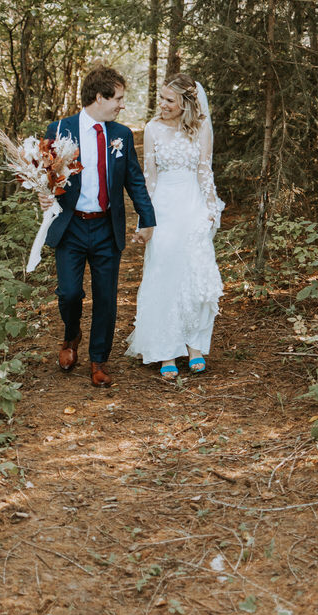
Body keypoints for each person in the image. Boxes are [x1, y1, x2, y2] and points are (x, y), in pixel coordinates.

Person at [40, 65, 156, 387]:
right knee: (69, 293)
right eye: (117, 98)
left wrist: (147, 218)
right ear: (99, 97)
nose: (121, 105)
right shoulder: (60, 129)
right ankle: (71, 334)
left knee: (106, 296)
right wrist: (44, 197)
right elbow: (45, 177)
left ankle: (98, 360)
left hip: (106, 227)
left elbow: (134, 179)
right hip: (71, 226)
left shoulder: (121, 135)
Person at [126, 74, 224, 380]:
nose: (163, 104)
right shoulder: (153, 129)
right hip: (164, 208)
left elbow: (204, 170)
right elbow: (149, 177)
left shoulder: (201, 126)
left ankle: (195, 347)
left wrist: (210, 208)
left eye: (170, 99)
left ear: (185, 103)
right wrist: (146, 219)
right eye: (161, 98)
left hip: (192, 205)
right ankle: (166, 349)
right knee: (163, 273)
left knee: (194, 276)